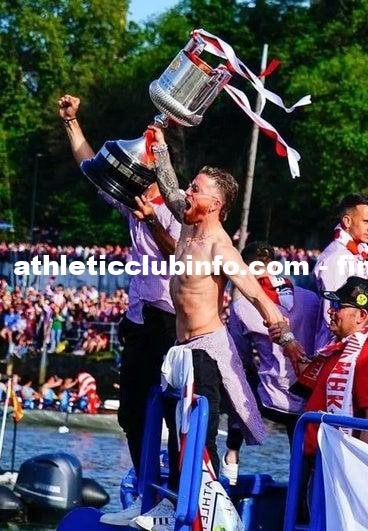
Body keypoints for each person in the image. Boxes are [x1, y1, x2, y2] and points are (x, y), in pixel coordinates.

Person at [132, 125, 303, 529]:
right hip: (181, 347)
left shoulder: (220, 246)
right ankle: (173, 504)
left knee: (198, 434)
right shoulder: (187, 224)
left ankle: (201, 515)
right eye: (191, 186)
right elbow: (168, 187)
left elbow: (257, 296)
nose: (187, 192)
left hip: (206, 350)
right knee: (176, 427)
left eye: (196, 189)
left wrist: (289, 341)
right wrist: (160, 147)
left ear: (215, 204)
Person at [59, 95, 182, 527]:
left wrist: (151, 220)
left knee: (176, 417)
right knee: (131, 414)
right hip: (138, 319)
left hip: (171, 320)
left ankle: (177, 501)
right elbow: (91, 169)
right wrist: (72, 123)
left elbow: (181, 254)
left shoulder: (181, 205)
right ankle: (146, 496)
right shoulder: (132, 199)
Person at [224, 241, 320, 484]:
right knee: (302, 461)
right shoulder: (311, 298)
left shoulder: (242, 306)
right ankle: (301, 498)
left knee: (237, 382)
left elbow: (240, 355)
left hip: (270, 397)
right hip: (309, 394)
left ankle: (232, 456)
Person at [296, 276, 368, 457]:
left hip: (334, 461)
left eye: (338, 306)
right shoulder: (340, 346)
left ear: (361, 315)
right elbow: (313, 385)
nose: (330, 311)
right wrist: (289, 345)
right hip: (319, 456)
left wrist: (355, 464)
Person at [313, 194, 368, 350]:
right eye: (366, 222)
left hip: (355, 343)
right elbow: (333, 316)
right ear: (347, 221)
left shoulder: (356, 253)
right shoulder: (337, 258)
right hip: (341, 348)